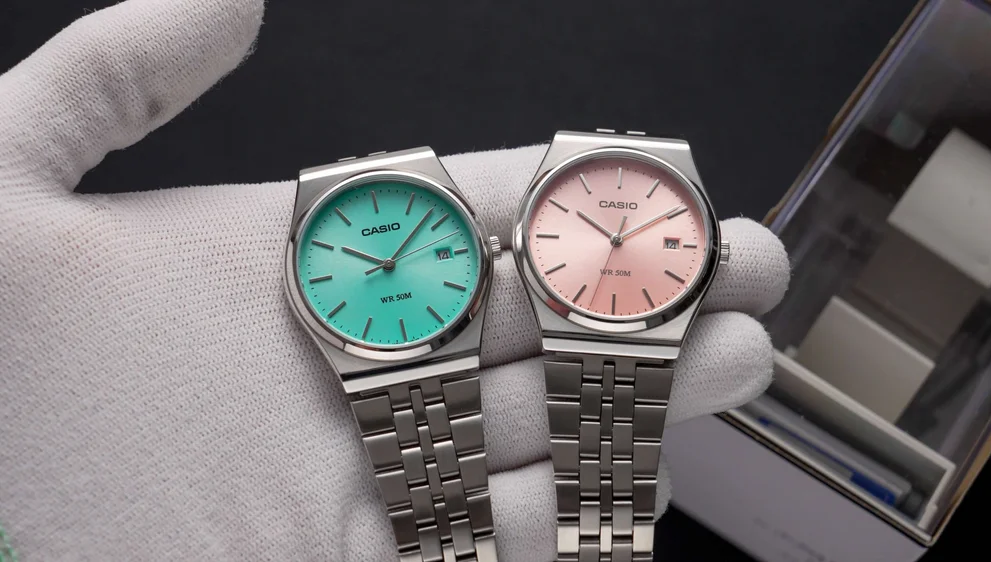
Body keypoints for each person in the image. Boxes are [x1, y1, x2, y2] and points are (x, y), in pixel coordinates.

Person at [0, 0, 790, 559]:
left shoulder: (482, 262)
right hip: (383, 356)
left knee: (589, 513)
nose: (384, 262)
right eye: (369, 258)